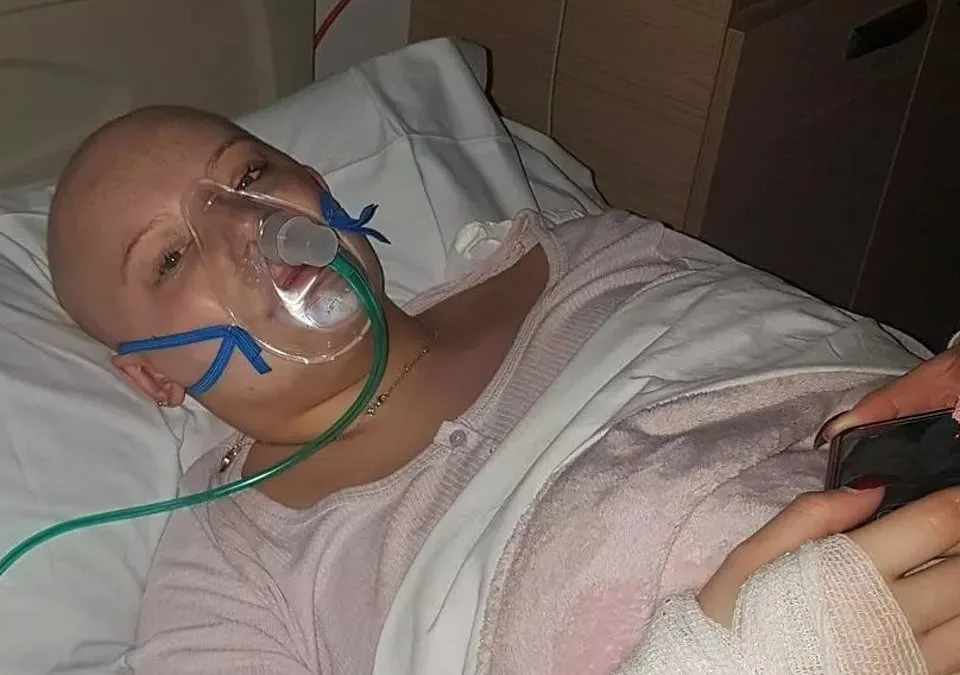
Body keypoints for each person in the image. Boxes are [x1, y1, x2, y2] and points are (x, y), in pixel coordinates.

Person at [47, 105, 960, 674]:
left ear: (314, 186)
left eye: (248, 175)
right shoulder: (229, 571)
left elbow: (862, 361)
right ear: (150, 371)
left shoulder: (595, 254)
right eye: (169, 258)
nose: (246, 227)